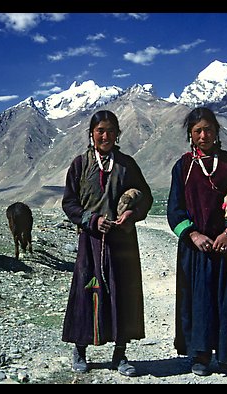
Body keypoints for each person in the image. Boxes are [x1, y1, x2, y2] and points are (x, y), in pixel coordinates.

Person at [61, 110, 153, 377]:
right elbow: (69, 202)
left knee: (122, 293)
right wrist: (91, 220)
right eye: (100, 130)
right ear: (91, 133)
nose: (105, 135)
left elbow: (146, 198)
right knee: (86, 291)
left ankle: (120, 354)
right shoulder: (80, 164)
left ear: (117, 134)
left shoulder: (127, 164)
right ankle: (80, 349)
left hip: (122, 242)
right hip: (91, 242)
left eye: (111, 130)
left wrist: (130, 215)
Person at [166, 107, 227, 377]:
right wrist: (193, 234)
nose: (203, 135)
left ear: (216, 131)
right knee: (199, 300)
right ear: (190, 135)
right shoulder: (183, 166)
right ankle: (201, 355)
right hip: (197, 249)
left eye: (208, 129)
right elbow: (175, 209)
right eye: (197, 131)